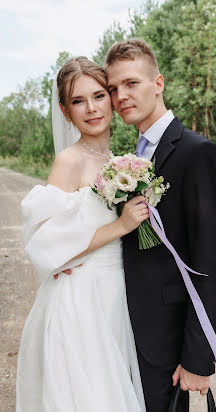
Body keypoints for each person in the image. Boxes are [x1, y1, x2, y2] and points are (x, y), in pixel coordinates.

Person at [105, 39, 216, 412]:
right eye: (113, 89)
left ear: (157, 83)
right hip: (125, 327)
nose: (120, 96)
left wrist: (197, 358)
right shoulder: (127, 159)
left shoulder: (197, 153)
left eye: (131, 83)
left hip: (167, 336)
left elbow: (209, 260)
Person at [16, 56, 147, 412]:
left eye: (98, 95)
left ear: (111, 97)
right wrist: (119, 226)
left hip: (116, 295)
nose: (91, 108)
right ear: (65, 110)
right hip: (82, 300)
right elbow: (46, 245)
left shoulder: (122, 161)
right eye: (78, 101)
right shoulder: (69, 161)